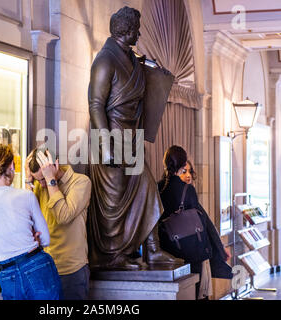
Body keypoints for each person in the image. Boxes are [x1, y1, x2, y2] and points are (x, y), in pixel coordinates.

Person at [87, 6, 178, 270]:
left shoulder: (131, 59)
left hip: (130, 140)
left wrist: (152, 68)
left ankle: (153, 250)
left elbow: (149, 83)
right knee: (113, 203)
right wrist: (105, 147)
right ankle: (112, 256)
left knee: (148, 190)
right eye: (136, 29)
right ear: (125, 31)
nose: (139, 33)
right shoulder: (105, 60)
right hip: (109, 140)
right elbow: (95, 105)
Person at [0, 144, 62, 300]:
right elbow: (45, 239)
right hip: (37, 266)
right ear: (11, 166)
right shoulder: (26, 196)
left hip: (7, 274)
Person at [158, 146, 233, 300]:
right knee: (195, 292)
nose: (188, 175)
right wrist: (216, 248)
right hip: (190, 251)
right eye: (185, 170)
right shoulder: (187, 190)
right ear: (182, 163)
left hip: (166, 251)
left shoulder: (157, 188)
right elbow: (201, 223)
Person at [25, 148, 92, 300]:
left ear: (55, 165)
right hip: (44, 268)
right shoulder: (39, 185)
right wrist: (28, 181)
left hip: (72, 270)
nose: (41, 185)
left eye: (42, 179)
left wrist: (50, 180)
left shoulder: (80, 182)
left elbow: (63, 216)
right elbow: (24, 217)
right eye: (37, 180)